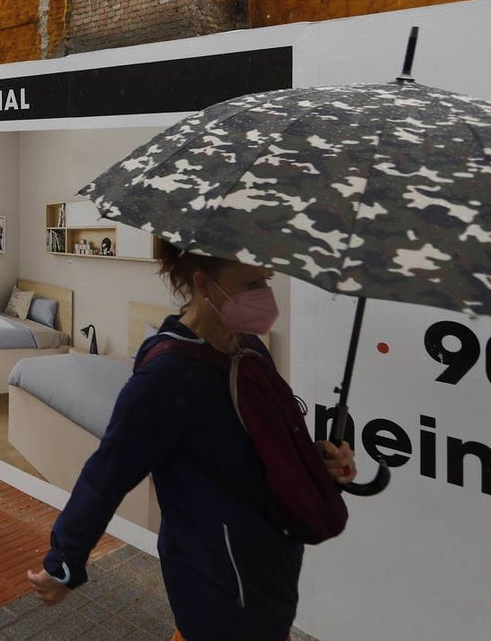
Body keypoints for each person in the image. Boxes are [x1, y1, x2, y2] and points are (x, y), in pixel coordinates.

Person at [27, 244, 357, 641]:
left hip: (273, 567)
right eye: (251, 283)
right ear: (204, 284)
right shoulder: (165, 377)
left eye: (265, 281)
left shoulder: (249, 348)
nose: (265, 296)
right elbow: (107, 474)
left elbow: (264, 443)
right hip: (218, 587)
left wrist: (314, 460)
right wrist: (64, 560)